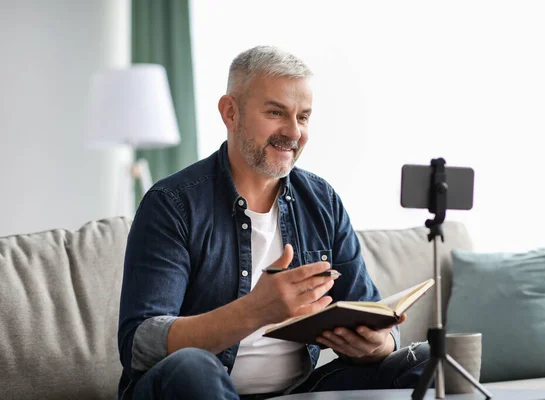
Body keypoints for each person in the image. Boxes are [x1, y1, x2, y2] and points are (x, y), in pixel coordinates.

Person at [117, 45, 429, 400]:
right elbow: (139, 344)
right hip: (196, 387)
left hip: (294, 392)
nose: (293, 132)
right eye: (276, 112)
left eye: (304, 117)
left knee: (428, 361)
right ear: (230, 112)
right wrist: (255, 310)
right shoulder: (172, 203)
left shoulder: (322, 200)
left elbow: (370, 311)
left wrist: (378, 345)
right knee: (193, 367)